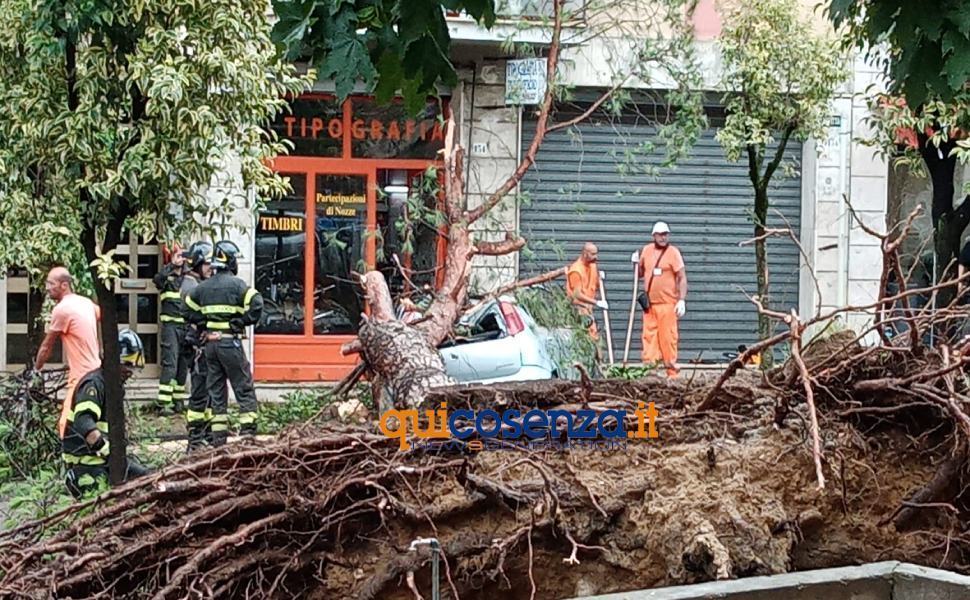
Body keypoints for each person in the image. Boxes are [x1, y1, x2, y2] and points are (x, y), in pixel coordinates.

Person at [185, 240, 263, 445]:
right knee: (243, 387)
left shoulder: (203, 287)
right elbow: (257, 304)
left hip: (210, 347)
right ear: (230, 261)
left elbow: (187, 308)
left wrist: (204, 325)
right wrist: (240, 322)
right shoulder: (238, 285)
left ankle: (218, 442)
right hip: (230, 343)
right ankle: (248, 437)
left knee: (217, 393)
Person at [62, 329, 150, 498]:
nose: (129, 373)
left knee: (147, 476)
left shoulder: (112, 385)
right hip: (87, 465)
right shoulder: (94, 384)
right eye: (127, 367)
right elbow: (84, 421)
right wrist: (107, 449)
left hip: (104, 460)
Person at [33, 266, 101, 438]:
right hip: (96, 371)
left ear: (64, 285)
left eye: (51, 283)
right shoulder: (85, 303)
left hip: (81, 377)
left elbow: (47, 346)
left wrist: (36, 370)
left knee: (66, 423)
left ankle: (70, 460)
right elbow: (103, 316)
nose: (47, 287)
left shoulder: (62, 309)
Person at [637, 221, 687, 378]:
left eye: (665, 234)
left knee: (668, 339)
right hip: (650, 306)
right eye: (660, 234)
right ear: (654, 235)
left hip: (667, 304)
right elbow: (639, 274)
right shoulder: (646, 250)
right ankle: (650, 372)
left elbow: (682, 277)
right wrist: (635, 263)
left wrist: (682, 299)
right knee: (649, 337)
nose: (663, 237)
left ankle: (671, 373)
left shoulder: (673, 252)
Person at [179, 241, 214, 452]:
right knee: (200, 394)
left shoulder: (194, 284)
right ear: (198, 263)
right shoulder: (193, 287)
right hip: (196, 348)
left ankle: (206, 435)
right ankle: (195, 440)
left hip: (197, 346)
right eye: (208, 263)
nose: (212, 268)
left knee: (208, 393)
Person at [153, 244, 189, 416]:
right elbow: (157, 280)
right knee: (171, 364)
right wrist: (171, 266)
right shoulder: (165, 278)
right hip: (171, 328)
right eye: (177, 255)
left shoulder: (188, 278)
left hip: (187, 327)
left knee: (183, 365)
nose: (181, 259)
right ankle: (163, 404)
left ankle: (178, 401)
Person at [565, 242, 608, 339]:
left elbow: (593, 284)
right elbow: (577, 294)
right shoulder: (576, 271)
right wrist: (597, 302)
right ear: (585, 254)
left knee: (593, 337)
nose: (596, 257)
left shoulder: (593, 266)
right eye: (593, 254)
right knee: (586, 337)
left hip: (588, 310)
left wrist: (599, 278)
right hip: (578, 311)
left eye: (596, 253)